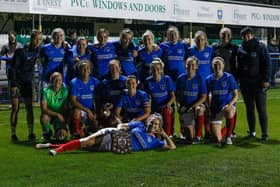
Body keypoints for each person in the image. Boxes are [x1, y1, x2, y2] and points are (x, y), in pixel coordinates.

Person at [35, 113, 176, 156]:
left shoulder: (155, 142)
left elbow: (172, 147)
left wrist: (164, 134)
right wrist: (121, 129)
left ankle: (51, 145)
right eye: (151, 121)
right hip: (113, 135)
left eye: (156, 124)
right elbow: (123, 125)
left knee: (82, 147)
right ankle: (57, 151)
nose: (152, 124)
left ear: (159, 127)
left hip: (115, 148)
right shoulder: (139, 125)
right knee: (85, 142)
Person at [236, 27, 270, 141]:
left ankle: (264, 133)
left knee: (261, 108)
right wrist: (239, 80)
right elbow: (239, 67)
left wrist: (266, 79)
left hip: (259, 83)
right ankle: (252, 132)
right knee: (249, 109)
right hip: (246, 84)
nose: (246, 37)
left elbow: (267, 64)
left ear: (252, 35)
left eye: (247, 35)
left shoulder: (260, 47)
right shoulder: (240, 49)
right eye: (243, 36)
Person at [9, 30, 43, 142]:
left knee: (30, 109)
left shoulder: (38, 51)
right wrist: (13, 84)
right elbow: (12, 68)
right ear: (31, 39)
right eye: (36, 39)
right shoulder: (20, 51)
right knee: (15, 108)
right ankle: (13, 134)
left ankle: (31, 133)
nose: (37, 41)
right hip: (16, 83)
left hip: (27, 83)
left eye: (39, 39)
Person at [213, 27, 239, 137]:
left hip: (230, 80)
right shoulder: (215, 48)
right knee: (217, 103)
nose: (225, 36)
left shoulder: (235, 48)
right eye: (223, 34)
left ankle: (231, 131)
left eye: (228, 34)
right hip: (218, 79)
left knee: (232, 105)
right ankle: (216, 127)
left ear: (231, 36)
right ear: (220, 35)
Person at [206, 57, 238, 145]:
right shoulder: (208, 79)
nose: (217, 66)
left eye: (219, 64)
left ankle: (229, 136)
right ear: (212, 66)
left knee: (229, 111)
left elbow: (236, 95)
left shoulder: (229, 77)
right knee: (217, 138)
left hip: (227, 105)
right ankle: (225, 129)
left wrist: (230, 105)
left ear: (223, 65)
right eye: (215, 64)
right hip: (215, 108)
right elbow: (207, 95)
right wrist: (208, 108)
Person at [176, 56, 207, 143]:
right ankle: (186, 131)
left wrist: (193, 106)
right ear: (185, 65)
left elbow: (204, 96)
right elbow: (177, 95)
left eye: (193, 65)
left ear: (197, 66)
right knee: (189, 137)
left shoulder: (200, 78)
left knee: (199, 110)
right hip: (185, 108)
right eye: (188, 64)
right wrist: (178, 106)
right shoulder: (180, 78)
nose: (190, 67)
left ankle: (198, 136)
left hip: (196, 105)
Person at [144, 58, 175, 136]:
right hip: (155, 108)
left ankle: (168, 135)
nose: (156, 71)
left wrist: (168, 104)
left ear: (161, 70)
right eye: (153, 69)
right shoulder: (148, 81)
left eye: (158, 69)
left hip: (166, 106)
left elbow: (173, 96)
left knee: (167, 112)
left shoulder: (167, 79)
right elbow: (146, 97)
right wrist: (147, 109)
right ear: (151, 71)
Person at [69, 60, 100, 139]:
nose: (86, 70)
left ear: (90, 70)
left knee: (96, 124)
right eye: (83, 69)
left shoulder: (95, 81)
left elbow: (98, 99)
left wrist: (96, 112)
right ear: (79, 70)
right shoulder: (74, 82)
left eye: (87, 68)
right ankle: (77, 132)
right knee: (76, 111)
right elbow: (73, 101)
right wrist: (87, 111)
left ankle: (87, 130)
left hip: (91, 110)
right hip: (81, 110)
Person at [40, 72, 69, 142]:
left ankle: (58, 131)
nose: (57, 82)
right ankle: (47, 133)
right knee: (44, 117)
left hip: (61, 117)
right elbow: (44, 109)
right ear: (51, 81)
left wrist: (63, 126)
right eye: (55, 79)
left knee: (61, 137)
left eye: (59, 80)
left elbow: (66, 109)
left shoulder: (65, 91)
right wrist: (57, 114)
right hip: (50, 115)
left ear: (62, 81)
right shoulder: (45, 91)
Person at [100, 59, 127, 127]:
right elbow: (103, 99)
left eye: (116, 67)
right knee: (105, 114)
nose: (114, 69)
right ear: (109, 69)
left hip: (124, 109)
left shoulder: (126, 81)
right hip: (111, 108)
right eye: (112, 68)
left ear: (120, 68)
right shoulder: (105, 82)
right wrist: (106, 106)